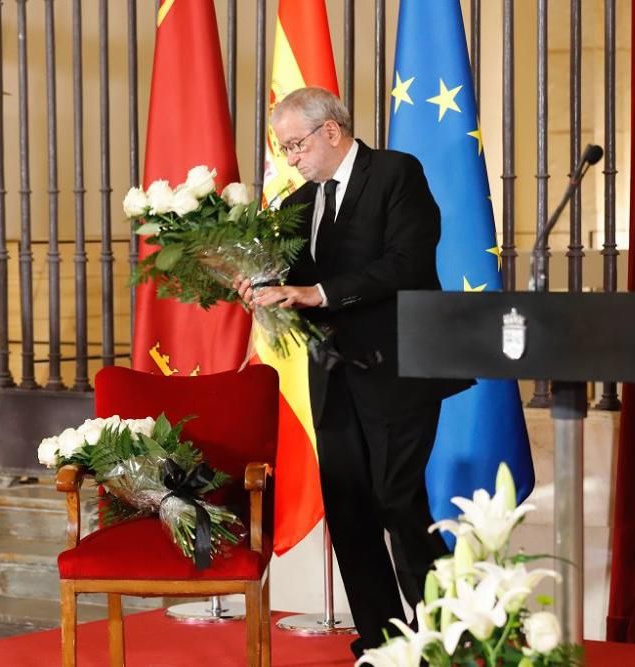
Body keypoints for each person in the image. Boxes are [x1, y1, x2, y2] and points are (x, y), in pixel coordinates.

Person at [237, 86, 473, 657]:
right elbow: (284, 277)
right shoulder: (298, 204)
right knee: (348, 506)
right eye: (285, 148)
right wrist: (252, 284)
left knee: (397, 500)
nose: (290, 159)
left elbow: (407, 262)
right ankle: (384, 637)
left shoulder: (395, 174)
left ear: (331, 132)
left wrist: (317, 293)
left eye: (296, 146)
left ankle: (446, 634)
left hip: (398, 366)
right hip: (333, 372)